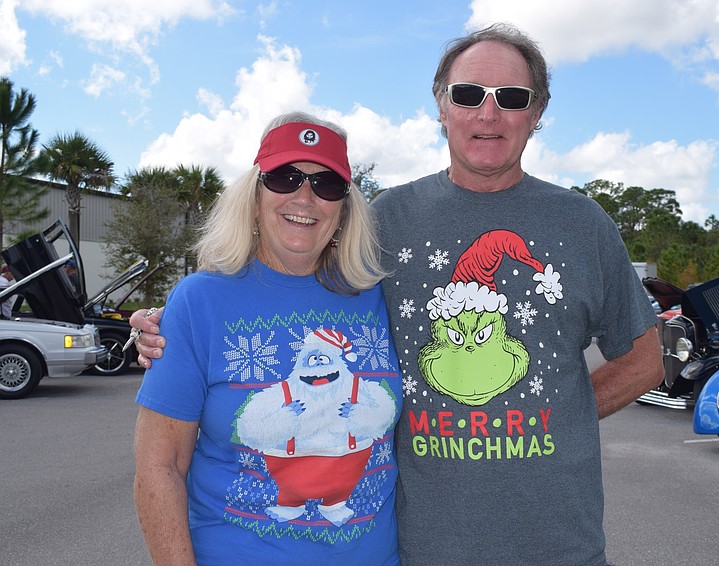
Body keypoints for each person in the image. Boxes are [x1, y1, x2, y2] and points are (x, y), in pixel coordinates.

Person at [132, 23, 662, 565]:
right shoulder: (387, 221)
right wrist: (165, 325)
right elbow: (278, 280)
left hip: (559, 548)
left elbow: (646, 362)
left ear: (537, 113)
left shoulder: (581, 224)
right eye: (468, 94)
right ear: (441, 106)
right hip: (426, 549)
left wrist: (554, 412)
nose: (488, 113)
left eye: (511, 98)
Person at [132, 111, 402, 565]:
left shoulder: (379, 294)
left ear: (344, 207)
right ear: (255, 194)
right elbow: (160, 467)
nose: (305, 196)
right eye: (285, 177)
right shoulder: (199, 301)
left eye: (327, 184)